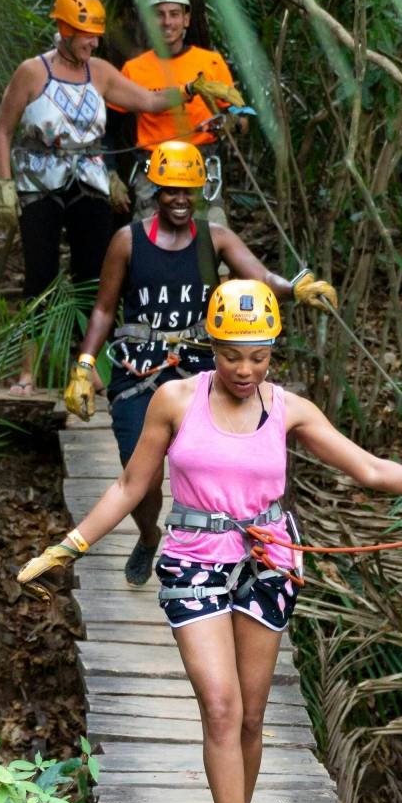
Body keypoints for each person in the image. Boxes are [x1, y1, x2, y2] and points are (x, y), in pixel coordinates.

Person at [18, 280, 402, 803]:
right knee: (218, 707)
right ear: (212, 346)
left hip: (267, 562)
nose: (245, 369)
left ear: (272, 351)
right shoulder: (174, 400)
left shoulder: (287, 409)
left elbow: (370, 470)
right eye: (232, 355)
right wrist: (72, 545)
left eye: (259, 356)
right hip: (193, 559)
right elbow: (131, 486)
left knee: (249, 714)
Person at [62, 139, 336, 588]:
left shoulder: (217, 240)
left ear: (200, 191)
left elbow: (261, 277)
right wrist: (84, 362)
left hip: (200, 372)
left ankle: (222, 554)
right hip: (138, 372)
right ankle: (149, 535)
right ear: (156, 189)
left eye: (188, 190)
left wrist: (298, 289)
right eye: (171, 189)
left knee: (224, 463)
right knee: (141, 478)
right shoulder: (127, 241)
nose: (179, 199)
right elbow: (104, 309)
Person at [0, 0, 240, 394]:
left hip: (89, 183)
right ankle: (27, 372)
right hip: (39, 185)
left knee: (94, 277)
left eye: (96, 37)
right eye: (85, 36)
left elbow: (149, 101)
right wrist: (3, 185)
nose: (92, 43)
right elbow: (3, 130)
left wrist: (192, 90)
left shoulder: (101, 72)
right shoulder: (32, 72)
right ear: (64, 30)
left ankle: (89, 370)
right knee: (40, 277)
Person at [110, 0, 240, 226]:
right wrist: (110, 173)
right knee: (150, 244)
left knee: (210, 243)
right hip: (153, 170)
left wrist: (232, 122)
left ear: (186, 19)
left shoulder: (210, 63)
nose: (167, 22)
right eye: (159, 15)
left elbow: (237, 114)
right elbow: (109, 125)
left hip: (201, 166)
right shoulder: (133, 70)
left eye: (174, 14)